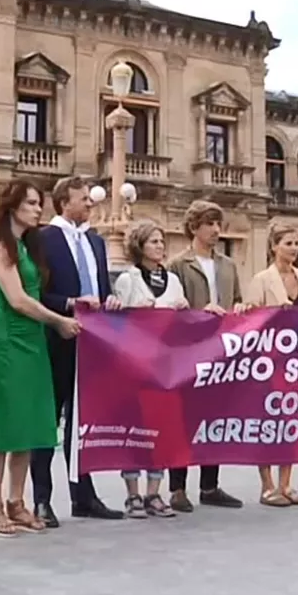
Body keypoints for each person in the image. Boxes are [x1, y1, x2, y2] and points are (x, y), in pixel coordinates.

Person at [0, 180, 81, 537]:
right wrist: (58, 320)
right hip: (9, 339)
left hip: (34, 341)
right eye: (32, 203)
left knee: (29, 423)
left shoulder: (27, 245)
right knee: (5, 424)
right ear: (12, 206)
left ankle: (16, 501)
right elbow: (17, 299)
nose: (39, 209)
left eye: (40, 203)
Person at [31, 176, 123, 527]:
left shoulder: (96, 242)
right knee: (48, 420)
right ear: (63, 201)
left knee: (83, 422)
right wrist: (70, 303)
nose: (90, 203)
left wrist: (110, 298)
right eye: (83, 198)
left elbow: (101, 286)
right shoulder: (43, 239)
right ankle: (42, 499)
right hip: (55, 338)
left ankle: (83, 494)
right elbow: (35, 292)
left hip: (92, 341)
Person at [166, 200, 247, 511]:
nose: (216, 230)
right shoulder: (178, 264)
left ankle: (210, 485)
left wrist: (239, 306)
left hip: (222, 349)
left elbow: (238, 298)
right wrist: (200, 313)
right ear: (194, 227)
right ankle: (177, 487)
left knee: (214, 416)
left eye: (218, 224)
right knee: (183, 418)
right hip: (189, 351)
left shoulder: (227, 265)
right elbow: (173, 307)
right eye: (209, 224)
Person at [112, 219, 186, 518]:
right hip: (136, 365)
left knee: (162, 428)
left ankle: (154, 492)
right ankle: (132, 494)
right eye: (153, 241)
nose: (160, 246)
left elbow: (184, 320)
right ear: (139, 246)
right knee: (135, 428)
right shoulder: (128, 280)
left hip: (166, 365)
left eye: (161, 241)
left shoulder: (174, 280)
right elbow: (117, 321)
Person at [245, 223, 298, 507]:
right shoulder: (261, 279)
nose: (294, 249)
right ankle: (267, 484)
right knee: (268, 422)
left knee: (292, 422)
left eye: (296, 243)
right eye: (288, 243)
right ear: (274, 247)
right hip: (270, 361)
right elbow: (250, 317)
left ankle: (286, 483)